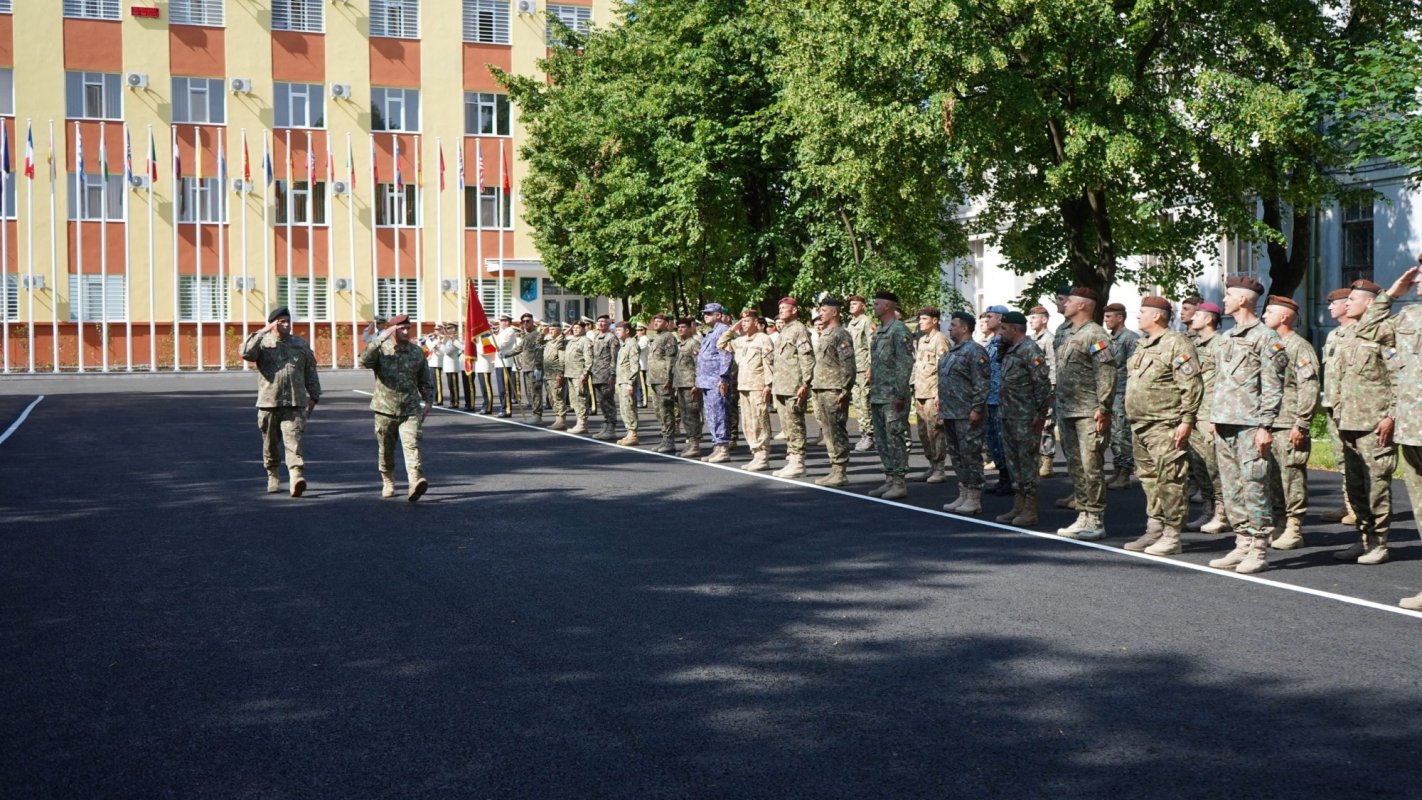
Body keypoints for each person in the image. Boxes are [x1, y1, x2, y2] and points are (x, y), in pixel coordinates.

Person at [1207, 276, 1287, 574]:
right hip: (1226, 422)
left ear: (1242, 300)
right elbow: (1221, 382)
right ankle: (1241, 543)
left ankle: (1259, 548)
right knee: (1231, 488)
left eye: (1228, 295)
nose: (1224, 300)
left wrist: (1266, 425)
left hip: (1251, 424)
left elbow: (1273, 386)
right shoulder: (1227, 337)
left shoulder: (1266, 337)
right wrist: (1216, 417)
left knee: (1254, 486)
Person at [1118, 297, 1202, 555]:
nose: (1137, 316)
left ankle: (1172, 534)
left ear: (1156, 316)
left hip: (1165, 423)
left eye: (1142, 312)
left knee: (1171, 479)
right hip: (1141, 424)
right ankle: (1155, 528)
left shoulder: (1176, 343)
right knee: (1149, 480)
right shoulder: (1143, 345)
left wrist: (1187, 420)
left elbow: (1191, 384)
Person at [1332, 279, 1399, 565]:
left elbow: (1398, 376)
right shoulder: (1346, 336)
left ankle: (1380, 543)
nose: (1347, 303)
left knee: (1377, 485)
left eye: (1353, 299)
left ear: (1370, 303)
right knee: (1356, 485)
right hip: (1348, 421)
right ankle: (1363, 538)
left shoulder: (1386, 332)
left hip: (1374, 422)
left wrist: (1391, 415)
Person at [1367, 262, 1422, 607]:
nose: (1417, 280)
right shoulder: (1409, 316)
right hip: (1412, 429)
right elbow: (1366, 330)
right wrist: (1390, 294)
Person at [1054, 287, 1116, 541]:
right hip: (1067, 409)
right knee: (1076, 466)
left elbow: (1106, 373)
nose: (1064, 303)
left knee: (1092, 466)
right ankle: (1083, 513)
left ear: (1082, 305)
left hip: (1089, 411)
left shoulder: (1096, 334)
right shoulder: (1067, 333)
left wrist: (1103, 407)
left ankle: (1096, 518)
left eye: (1069, 300)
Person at [241, 306, 322, 497]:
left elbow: (310, 370)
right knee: (270, 443)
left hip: (295, 402)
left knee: (293, 441)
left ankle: (296, 476)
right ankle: (273, 474)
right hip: (269, 402)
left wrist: (314, 396)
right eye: (281, 322)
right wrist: (263, 331)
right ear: (273, 324)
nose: (286, 325)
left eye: (288, 321)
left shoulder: (300, 344)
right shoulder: (262, 343)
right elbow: (245, 353)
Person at [1262, 295, 1319, 550]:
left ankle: (1294, 527)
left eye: (1269, 311)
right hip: (1270, 422)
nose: (1264, 316)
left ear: (1284, 316)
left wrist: (1302, 423)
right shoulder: (1271, 344)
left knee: (1291, 477)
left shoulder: (1299, 346)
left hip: (1289, 422)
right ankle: (1279, 521)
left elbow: (1309, 386)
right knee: (1273, 478)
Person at [359, 314, 434, 501]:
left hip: (410, 408)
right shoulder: (381, 349)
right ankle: (388, 481)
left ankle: (415, 481)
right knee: (386, 449)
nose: (407, 332)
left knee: (412, 445)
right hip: (385, 408)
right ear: (392, 330)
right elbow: (364, 361)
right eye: (402, 329)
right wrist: (381, 338)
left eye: (409, 328)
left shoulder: (416, 352)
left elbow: (425, 380)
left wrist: (429, 401)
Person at [993, 312, 1053, 526]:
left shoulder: (1029, 349)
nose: (1000, 333)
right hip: (1009, 415)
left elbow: (1043, 385)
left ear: (1015, 329)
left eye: (1004, 329)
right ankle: (1018, 504)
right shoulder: (1010, 350)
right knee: (1013, 462)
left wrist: (1039, 414)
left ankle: (1030, 509)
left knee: (1027, 463)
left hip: (1026, 417)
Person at [939, 311, 991, 514]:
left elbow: (981, 382)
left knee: (971, 455)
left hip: (967, 413)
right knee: (957, 455)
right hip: (951, 412)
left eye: (953, 325)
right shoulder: (953, 352)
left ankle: (974, 497)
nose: (949, 328)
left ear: (965, 328)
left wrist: (977, 408)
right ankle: (963, 493)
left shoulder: (975, 351)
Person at [1185, 302, 1229, 535]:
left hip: (1210, 413)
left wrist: (1217, 416)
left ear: (1210, 319)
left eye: (1198, 315)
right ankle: (1208, 509)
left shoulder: (1220, 344)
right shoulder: (1194, 344)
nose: (1193, 318)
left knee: (1214, 466)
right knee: (1199, 465)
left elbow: (1225, 381)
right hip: (1194, 412)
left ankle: (1222, 513)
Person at [867, 291, 915, 500]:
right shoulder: (879, 331)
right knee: (882, 439)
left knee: (895, 438)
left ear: (888, 306)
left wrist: (900, 393)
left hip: (893, 395)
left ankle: (899, 482)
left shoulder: (899, 330)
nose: (874, 307)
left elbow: (905, 364)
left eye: (877, 304)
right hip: (878, 394)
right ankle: (889, 479)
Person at [1319, 288, 1359, 525]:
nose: (1330, 308)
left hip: (1353, 408)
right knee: (1341, 459)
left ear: (1347, 305)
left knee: (1356, 460)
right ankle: (1349, 504)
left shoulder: (1362, 333)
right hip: (1333, 406)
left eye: (1335, 304)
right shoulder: (1333, 335)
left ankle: (1359, 507)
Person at [718, 309, 775, 471]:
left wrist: (768, 385)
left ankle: (763, 455)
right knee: (748, 422)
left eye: (747, 321)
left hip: (758, 386)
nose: (743, 323)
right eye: (742, 321)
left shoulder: (763, 339)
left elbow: (769, 363)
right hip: (743, 385)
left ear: (756, 322)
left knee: (760, 420)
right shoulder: (741, 341)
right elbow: (721, 344)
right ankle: (755, 453)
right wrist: (732, 329)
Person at [810, 298, 856, 486]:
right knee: (827, 430)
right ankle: (834, 468)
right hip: (820, 387)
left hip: (834, 388)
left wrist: (845, 389)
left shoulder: (841, 334)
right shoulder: (825, 333)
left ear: (835, 312)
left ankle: (840, 471)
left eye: (824, 310)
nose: (820, 313)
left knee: (836, 429)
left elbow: (848, 364)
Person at [770, 298, 816, 478]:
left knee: (795, 424)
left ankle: (798, 462)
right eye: (779, 308)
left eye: (784, 308)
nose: (781, 311)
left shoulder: (799, 329)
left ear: (794, 310)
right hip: (781, 385)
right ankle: (792, 458)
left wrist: (805, 383)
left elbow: (806, 357)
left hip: (793, 385)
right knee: (787, 425)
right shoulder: (785, 330)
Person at [909, 307, 950, 484]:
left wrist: (940, 394)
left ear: (935, 321)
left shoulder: (939, 340)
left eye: (924, 318)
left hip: (933, 393)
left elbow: (944, 369)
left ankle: (940, 468)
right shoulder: (923, 339)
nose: (920, 322)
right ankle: (932, 465)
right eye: (920, 319)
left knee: (936, 432)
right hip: (920, 392)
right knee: (923, 433)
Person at [1103, 301, 1141, 490]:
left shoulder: (1130, 339)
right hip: (1111, 393)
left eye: (1109, 316)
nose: (1106, 320)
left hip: (1122, 392)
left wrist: (1129, 392)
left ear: (1120, 317)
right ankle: (1117, 469)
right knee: (1114, 436)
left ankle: (1125, 472)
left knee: (1123, 433)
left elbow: (1134, 368)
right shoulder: (1110, 339)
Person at [697, 304, 736, 463]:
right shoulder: (711, 332)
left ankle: (723, 448)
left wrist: (724, 378)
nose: (705, 315)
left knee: (719, 414)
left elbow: (725, 356)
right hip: (707, 381)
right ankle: (717, 447)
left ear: (719, 315)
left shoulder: (722, 331)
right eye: (704, 313)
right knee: (711, 415)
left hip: (717, 381)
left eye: (709, 313)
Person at [980, 305, 1012, 495]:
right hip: (989, 399)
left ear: (1000, 319)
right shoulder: (991, 343)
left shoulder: (1006, 343)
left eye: (990, 316)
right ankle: (1003, 477)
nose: (986, 319)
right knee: (993, 441)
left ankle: (1010, 479)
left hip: (1002, 400)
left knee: (1004, 441)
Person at [1027, 305, 1057, 478]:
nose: (1030, 321)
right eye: (1029, 318)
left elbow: (1053, 365)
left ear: (1044, 319)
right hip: (1033, 388)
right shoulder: (1031, 339)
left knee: (1046, 425)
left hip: (1046, 387)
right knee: (1034, 424)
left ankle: (1047, 460)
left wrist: (1052, 388)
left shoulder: (1049, 340)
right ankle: (1037, 458)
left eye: (1034, 318)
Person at [644, 314, 680, 453]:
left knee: (666, 410)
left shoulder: (668, 337)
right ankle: (664, 439)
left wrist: (669, 379)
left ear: (666, 323)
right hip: (654, 379)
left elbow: (671, 360)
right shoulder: (657, 337)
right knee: (659, 411)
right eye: (655, 321)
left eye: (659, 321)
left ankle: (670, 441)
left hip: (663, 380)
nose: (656, 323)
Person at [846, 295, 876, 452]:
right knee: (857, 402)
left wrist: (871, 366)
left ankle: (869, 435)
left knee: (864, 401)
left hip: (863, 368)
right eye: (850, 304)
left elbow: (872, 345)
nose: (851, 306)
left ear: (863, 306)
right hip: (853, 367)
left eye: (855, 303)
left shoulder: (866, 321)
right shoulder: (851, 323)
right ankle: (863, 433)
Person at [672, 317, 705, 457]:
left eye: (683, 327)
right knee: (685, 415)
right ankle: (690, 442)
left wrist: (697, 383)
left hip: (690, 385)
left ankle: (695, 444)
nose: (680, 329)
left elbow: (699, 364)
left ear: (691, 328)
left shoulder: (694, 344)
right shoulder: (681, 344)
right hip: (681, 384)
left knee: (692, 415)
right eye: (678, 327)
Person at [589, 314, 620, 441]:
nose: (601, 324)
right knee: (601, 402)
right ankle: (606, 425)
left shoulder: (611, 338)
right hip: (596, 374)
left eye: (604, 322)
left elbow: (614, 357)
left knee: (608, 401)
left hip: (606, 375)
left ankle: (611, 427)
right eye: (599, 321)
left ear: (609, 324)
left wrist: (612, 375)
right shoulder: (596, 337)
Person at [614, 321, 642, 446]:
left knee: (629, 407)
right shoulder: (624, 345)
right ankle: (629, 432)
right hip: (621, 381)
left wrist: (631, 382)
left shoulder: (632, 344)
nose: (617, 332)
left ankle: (633, 434)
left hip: (627, 381)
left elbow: (634, 365)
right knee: (624, 408)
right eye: (616, 330)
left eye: (619, 330)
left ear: (627, 331)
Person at [513, 314, 545, 424]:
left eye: (528, 321)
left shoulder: (536, 335)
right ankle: (534, 413)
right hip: (527, 367)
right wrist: (506, 354)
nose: (525, 323)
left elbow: (539, 352)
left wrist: (538, 367)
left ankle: (537, 415)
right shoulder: (526, 335)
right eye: (523, 322)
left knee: (535, 392)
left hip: (534, 367)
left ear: (532, 322)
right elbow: (520, 348)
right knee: (530, 393)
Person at [564, 319, 593, 433]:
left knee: (581, 398)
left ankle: (582, 424)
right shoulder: (571, 341)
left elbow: (589, 359)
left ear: (584, 329)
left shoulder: (585, 341)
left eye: (578, 328)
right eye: (574, 328)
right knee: (573, 399)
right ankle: (578, 421)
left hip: (579, 374)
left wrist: (585, 373)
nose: (575, 330)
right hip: (570, 374)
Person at [543, 321, 568, 429]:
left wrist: (560, 373)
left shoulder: (560, 342)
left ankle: (561, 420)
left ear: (559, 330)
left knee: (558, 397)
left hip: (555, 375)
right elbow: (535, 346)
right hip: (548, 374)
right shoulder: (550, 342)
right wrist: (541, 334)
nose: (551, 331)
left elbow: (562, 360)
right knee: (552, 398)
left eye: (553, 329)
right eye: (550, 329)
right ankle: (557, 418)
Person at [494, 315, 520, 415]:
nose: (502, 322)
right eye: (501, 321)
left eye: (505, 321)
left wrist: (492, 336)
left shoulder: (510, 331)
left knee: (505, 388)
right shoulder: (501, 332)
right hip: (499, 363)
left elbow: (499, 345)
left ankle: (507, 409)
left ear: (509, 322)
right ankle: (503, 408)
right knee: (501, 389)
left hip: (506, 362)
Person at [439, 324, 466, 410]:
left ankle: (455, 402)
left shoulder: (454, 340)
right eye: (447, 328)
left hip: (452, 366)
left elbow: (448, 352)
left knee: (453, 386)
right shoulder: (449, 340)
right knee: (450, 386)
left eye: (449, 328)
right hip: (448, 366)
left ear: (454, 329)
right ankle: (452, 401)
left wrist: (441, 344)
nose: (447, 330)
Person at [635, 322, 651, 409]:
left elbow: (638, 348)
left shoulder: (644, 339)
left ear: (643, 330)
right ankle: (639, 400)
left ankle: (643, 401)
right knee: (638, 384)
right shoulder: (640, 339)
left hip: (642, 365)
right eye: (637, 330)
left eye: (639, 330)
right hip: (639, 365)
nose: (637, 332)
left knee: (641, 384)